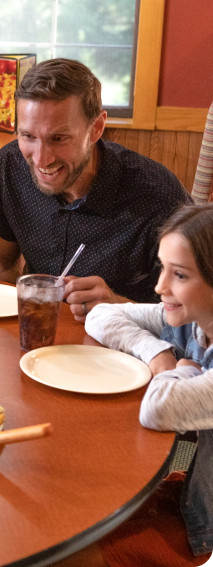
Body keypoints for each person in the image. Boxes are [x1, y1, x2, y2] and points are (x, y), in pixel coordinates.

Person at [0, 58, 191, 320]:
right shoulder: (10, 166)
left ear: (96, 128)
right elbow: (2, 262)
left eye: (59, 138)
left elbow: (194, 316)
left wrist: (118, 305)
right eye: (28, 136)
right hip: (36, 336)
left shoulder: (158, 197)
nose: (41, 160)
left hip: (127, 350)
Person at [83, 204, 213, 565]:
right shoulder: (194, 320)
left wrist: (182, 372)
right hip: (186, 488)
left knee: (75, 555)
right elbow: (102, 314)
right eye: (163, 268)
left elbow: (158, 408)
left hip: (204, 527)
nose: (160, 286)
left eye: (181, 275)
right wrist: (159, 355)